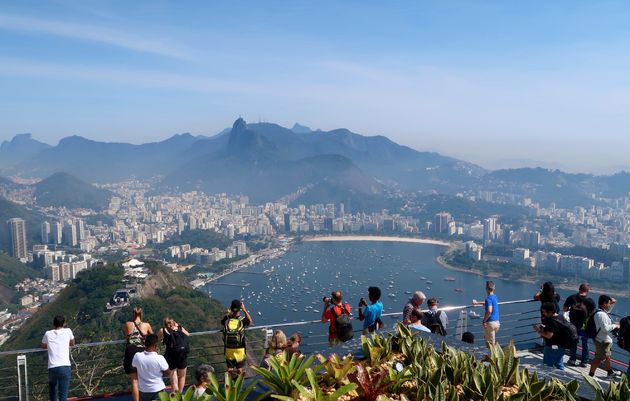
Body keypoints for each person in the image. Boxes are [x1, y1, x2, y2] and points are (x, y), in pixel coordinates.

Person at [41, 315, 75, 401]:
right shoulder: (68, 331)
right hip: (64, 366)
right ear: (63, 323)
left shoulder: (48, 333)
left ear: (54, 324)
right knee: (63, 394)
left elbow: (43, 346)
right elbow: (72, 343)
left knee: (52, 391)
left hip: (52, 367)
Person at [123, 307, 153, 401]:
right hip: (142, 352)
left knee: (134, 381)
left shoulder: (128, 324)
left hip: (131, 352)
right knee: (144, 379)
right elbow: (152, 337)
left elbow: (126, 339)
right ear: (141, 314)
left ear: (133, 314)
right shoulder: (146, 325)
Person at [563, 283, 596, 367]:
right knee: (585, 343)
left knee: (574, 341)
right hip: (585, 326)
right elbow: (593, 314)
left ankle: (572, 360)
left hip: (573, 324)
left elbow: (565, 309)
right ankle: (584, 362)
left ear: (579, 289)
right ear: (587, 291)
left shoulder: (572, 298)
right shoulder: (590, 301)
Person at [588, 295, 621, 378]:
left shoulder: (601, 312)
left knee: (607, 356)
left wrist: (612, 303)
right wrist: (615, 325)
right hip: (603, 340)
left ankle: (610, 372)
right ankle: (590, 375)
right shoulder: (601, 315)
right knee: (599, 358)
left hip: (601, 338)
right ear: (604, 304)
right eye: (609, 304)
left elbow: (607, 314)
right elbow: (605, 329)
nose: (610, 305)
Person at [132, 334, 170, 401]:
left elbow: (134, 367)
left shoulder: (137, 356)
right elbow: (168, 372)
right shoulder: (159, 358)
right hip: (158, 389)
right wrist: (160, 373)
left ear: (145, 344)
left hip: (143, 390)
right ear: (155, 345)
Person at [221, 299, 253, 376]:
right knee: (239, 369)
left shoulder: (227, 319)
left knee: (229, 369)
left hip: (228, 349)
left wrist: (228, 313)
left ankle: (229, 383)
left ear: (231, 308)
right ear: (240, 308)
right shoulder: (242, 320)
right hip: (240, 348)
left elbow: (222, 322)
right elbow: (250, 321)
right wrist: (244, 310)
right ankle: (240, 383)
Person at [158, 317, 190, 392]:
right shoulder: (180, 328)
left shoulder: (163, 330)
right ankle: (180, 394)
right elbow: (188, 334)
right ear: (173, 322)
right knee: (182, 376)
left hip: (170, 356)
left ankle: (175, 396)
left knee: (173, 376)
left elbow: (156, 338)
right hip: (182, 355)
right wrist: (178, 326)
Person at [534, 302, 567, 370]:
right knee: (559, 365)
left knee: (547, 366)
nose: (543, 313)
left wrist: (538, 330)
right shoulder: (561, 317)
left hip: (552, 347)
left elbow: (549, 335)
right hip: (561, 346)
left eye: (544, 312)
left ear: (550, 311)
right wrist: (545, 327)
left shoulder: (551, 321)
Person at [473, 281, 500, 347]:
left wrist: (484, 321)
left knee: (490, 345)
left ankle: (493, 356)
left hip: (490, 323)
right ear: (494, 288)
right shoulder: (495, 297)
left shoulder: (488, 299)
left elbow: (489, 310)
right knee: (491, 341)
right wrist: (477, 303)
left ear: (486, 288)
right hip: (497, 322)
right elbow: (488, 304)